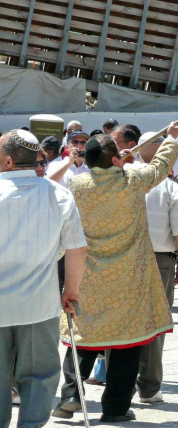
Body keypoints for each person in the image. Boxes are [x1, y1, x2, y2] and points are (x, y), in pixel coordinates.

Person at [53, 122, 178, 422]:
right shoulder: (133, 179)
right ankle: (115, 408)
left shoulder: (78, 185)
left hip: (89, 275)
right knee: (127, 343)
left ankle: (71, 395)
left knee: (83, 336)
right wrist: (171, 138)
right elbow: (162, 165)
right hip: (128, 278)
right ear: (115, 159)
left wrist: (116, 162)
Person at [0, 129, 86, 428]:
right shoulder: (59, 195)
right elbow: (77, 247)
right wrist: (70, 291)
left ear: (8, 161)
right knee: (39, 375)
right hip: (40, 303)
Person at [136, 131, 178, 404]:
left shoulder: (123, 179)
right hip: (159, 261)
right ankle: (148, 387)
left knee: (121, 319)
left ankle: (117, 381)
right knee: (154, 322)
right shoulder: (169, 188)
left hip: (124, 260)